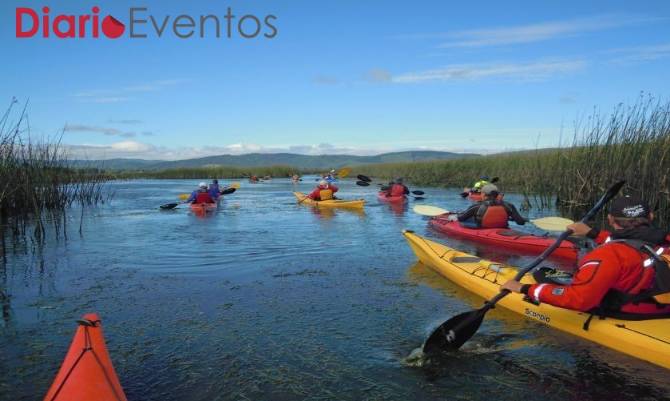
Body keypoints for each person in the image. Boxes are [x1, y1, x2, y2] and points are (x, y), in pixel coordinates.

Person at [502, 195, 670, 317]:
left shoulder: (607, 255)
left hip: (630, 313)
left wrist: (524, 288)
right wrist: (592, 233)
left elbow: (579, 300)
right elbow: (637, 242)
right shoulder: (663, 241)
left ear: (611, 220)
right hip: (663, 309)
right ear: (650, 216)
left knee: (541, 274)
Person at [451, 184, 526, 228]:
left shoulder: (477, 206)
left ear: (483, 194)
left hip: (482, 230)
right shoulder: (509, 205)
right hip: (503, 229)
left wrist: (453, 217)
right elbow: (521, 222)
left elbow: (461, 218)